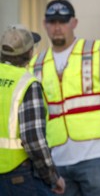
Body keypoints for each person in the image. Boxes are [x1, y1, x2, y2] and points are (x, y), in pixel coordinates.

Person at [29, 0, 100, 196]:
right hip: (57, 161)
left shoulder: (96, 51)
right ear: (45, 24)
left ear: (74, 23)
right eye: (52, 22)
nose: (57, 27)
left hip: (96, 157)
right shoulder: (37, 64)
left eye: (62, 21)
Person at [0, 25, 65, 195]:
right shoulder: (27, 83)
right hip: (16, 176)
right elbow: (33, 140)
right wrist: (53, 178)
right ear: (29, 53)